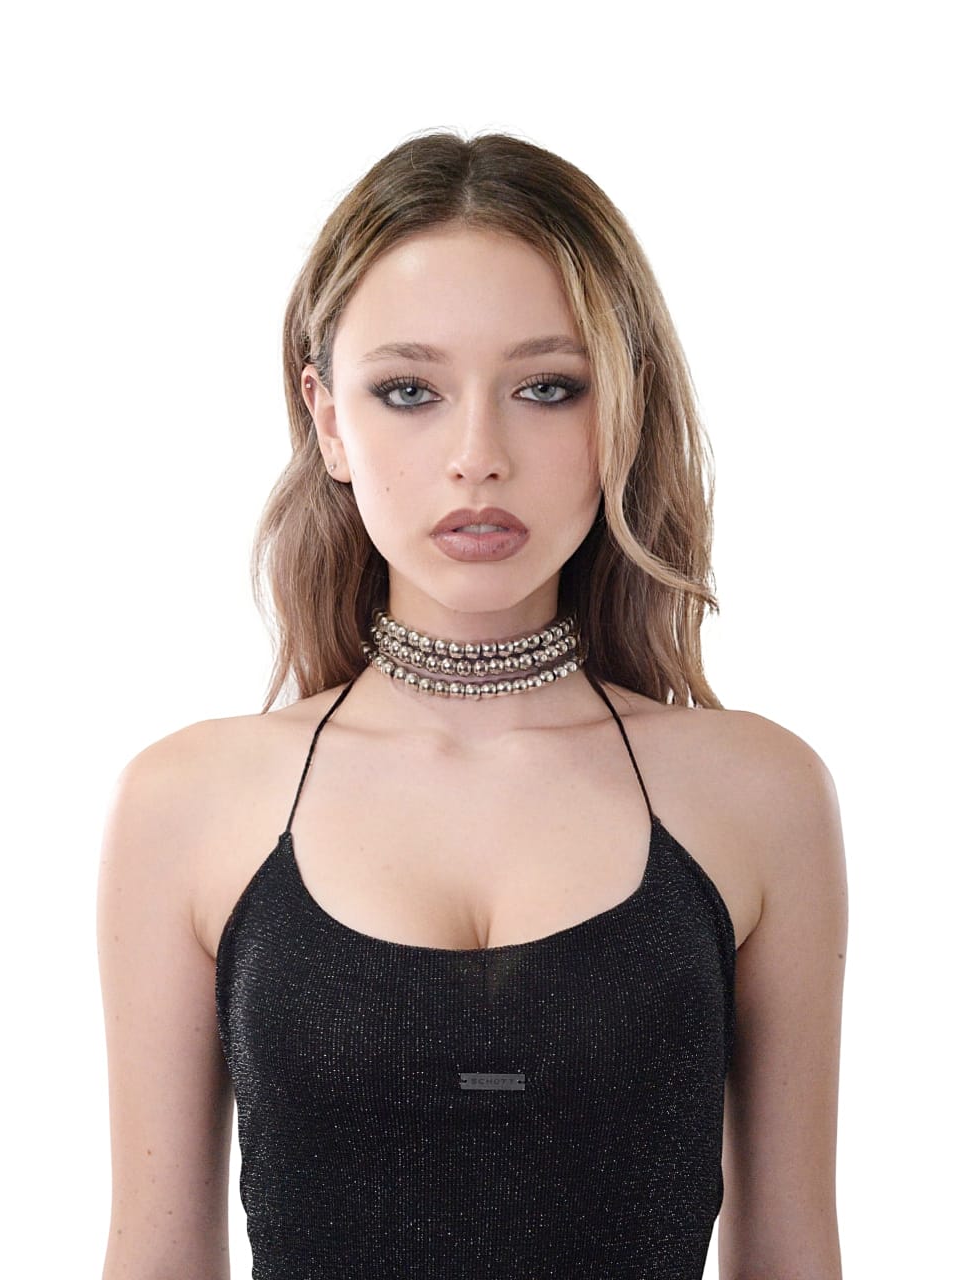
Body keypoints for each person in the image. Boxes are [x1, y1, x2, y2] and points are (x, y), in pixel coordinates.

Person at [97, 129, 847, 1279]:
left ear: (622, 407)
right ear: (328, 418)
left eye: (547, 388)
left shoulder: (757, 794)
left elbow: (793, 1255)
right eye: (409, 390)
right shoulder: (187, 802)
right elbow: (154, 1259)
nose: (477, 456)